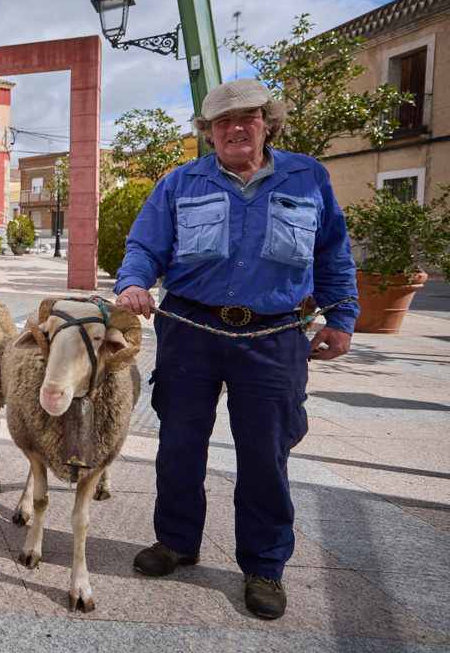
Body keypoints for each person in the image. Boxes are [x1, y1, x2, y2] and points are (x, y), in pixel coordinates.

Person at [114, 79, 358, 620]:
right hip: (190, 332)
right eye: (222, 122)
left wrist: (341, 318)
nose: (235, 128)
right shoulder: (180, 183)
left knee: (265, 455)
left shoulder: (307, 176)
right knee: (178, 445)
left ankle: (264, 566)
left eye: (247, 117)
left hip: (273, 338)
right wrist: (133, 282)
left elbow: (332, 251)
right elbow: (143, 247)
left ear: (268, 123)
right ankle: (176, 541)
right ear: (208, 133)